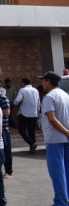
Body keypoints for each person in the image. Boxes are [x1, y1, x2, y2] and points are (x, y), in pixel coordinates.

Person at [39, 71, 69, 206]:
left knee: (57, 173)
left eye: (43, 80)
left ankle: (60, 202)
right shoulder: (65, 95)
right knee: (66, 171)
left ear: (49, 81)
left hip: (55, 139)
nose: (42, 83)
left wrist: (66, 132)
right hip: (65, 138)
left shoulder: (49, 97)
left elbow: (52, 119)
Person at [13, 77, 40, 154]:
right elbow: (38, 102)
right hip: (34, 113)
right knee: (31, 130)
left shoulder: (23, 90)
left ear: (23, 83)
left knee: (21, 130)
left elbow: (18, 100)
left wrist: (14, 104)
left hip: (24, 113)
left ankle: (32, 143)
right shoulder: (36, 90)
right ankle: (32, 146)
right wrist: (37, 112)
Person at [0, 91, 13, 179]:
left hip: (3, 129)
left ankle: (8, 171)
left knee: (6, 151)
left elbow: (7, 112)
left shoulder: (2, 98)